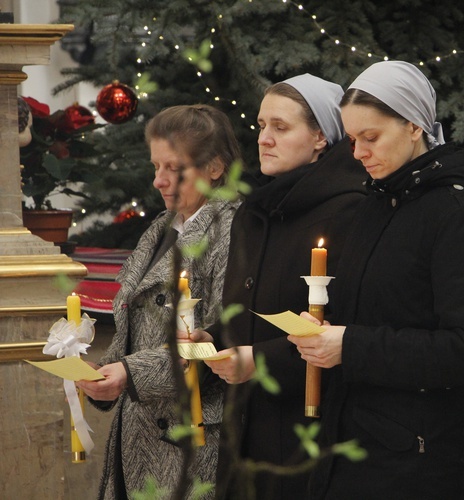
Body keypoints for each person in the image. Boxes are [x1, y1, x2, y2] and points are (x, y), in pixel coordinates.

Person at [287, 61, 464, 499]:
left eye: (371, 137)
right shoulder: (378, 202)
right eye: (351, 140)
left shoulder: (456, 214)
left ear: (413, 125)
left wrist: (349, 346)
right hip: (356, 444)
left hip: (419, 460)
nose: (358, 153)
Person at [186, 74, 367, 500]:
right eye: (261, 125)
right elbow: (246, 309)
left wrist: (261, 361)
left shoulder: (350, 210)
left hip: (308, 427)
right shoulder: (255, 211)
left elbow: (348, 323)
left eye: (280, 127)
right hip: (247, 424)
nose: (264, 139)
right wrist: (209, 339)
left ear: (321, 136)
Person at [76, 104, 242, 499]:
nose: (158, 181)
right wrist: (102, 375)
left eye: (173, 168)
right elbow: (135, 328)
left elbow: (220, 338)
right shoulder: (162, 228)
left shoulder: (232, 232)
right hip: (140, 429)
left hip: (189, 437)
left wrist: (129, 374)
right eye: (156, 167)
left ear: (215, 167)